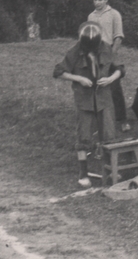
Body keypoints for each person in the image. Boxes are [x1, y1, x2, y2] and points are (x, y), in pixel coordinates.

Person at [53, 22, 124, 188]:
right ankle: (83, 173)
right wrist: (79, 79)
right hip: (84, 99)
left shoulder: (106, 48)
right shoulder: (74, 52)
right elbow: (58, 72)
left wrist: (110, 79)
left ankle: (111, 170)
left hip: (104, 98)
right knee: (83, 134)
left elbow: (120, 69)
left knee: (108, 133)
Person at [88, 0, 130, 132]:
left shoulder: (114, 14)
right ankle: (98, 120)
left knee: (115, 86)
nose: (97, 2)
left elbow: (118, 37)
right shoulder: (91, 16)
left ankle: (122, 120)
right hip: (96, 54)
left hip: (109, 52)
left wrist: (111, 56)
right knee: (97, 86)